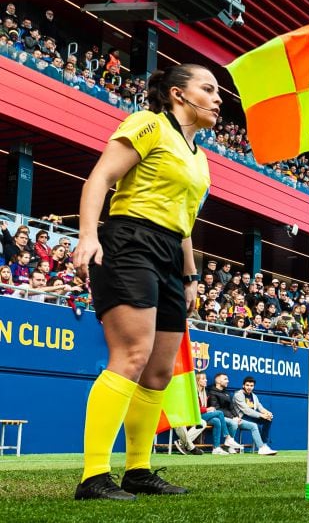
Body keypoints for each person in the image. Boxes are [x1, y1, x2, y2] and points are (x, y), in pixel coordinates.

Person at [72, 64, 220, 500]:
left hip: (172, 254)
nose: (217, 99)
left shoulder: (202, 158)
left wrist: (190, 276)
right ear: (178, 94)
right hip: (130, 241)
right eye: (207, 89)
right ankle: (94, 476)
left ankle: (138, 470)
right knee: (131, 355)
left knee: (158, 372)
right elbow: (100, 177)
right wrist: (87, 236)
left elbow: (185, 223)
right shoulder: (148, 123)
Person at [196, 371, 242, 455]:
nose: (206, 380)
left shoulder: (204, 392)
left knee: (217, 421)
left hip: (203, 415)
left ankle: (216, 448)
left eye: (205, 378)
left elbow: (231, 407)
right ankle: (227, 438)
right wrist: (207, 409)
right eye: (203, 379)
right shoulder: (194, 392)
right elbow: (195, 409)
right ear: (198, 381)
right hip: (196, 416)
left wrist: (208, 409)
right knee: (220, 413)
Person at [233, 376, 277, 455]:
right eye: (247, 385)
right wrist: (261, 415)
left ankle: (264, 444)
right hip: (242, 418)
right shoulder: (238, 395)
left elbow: (260, 407)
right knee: (256, 425)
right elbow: (246, 410)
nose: (249, 387)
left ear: (253, 386)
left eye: (251, 386)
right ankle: (261, 448)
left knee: (268, 419)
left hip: (252, 417)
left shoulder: (254, 396)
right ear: (243, 385)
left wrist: (267, 413)